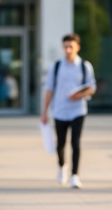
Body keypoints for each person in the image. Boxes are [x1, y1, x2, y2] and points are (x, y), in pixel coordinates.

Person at [40, 34, 97, 189]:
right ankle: (61, 166)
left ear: (77, 47)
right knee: (61, 143)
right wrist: (44, 112)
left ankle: (75, 175)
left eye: (71, 46)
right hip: (59, 110)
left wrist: (80, 94)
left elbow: (92, 87)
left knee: (75, 142)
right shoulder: (56, 66)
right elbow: (49, 89)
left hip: (78, 110)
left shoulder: (85, 66)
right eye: (66, 46)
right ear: (62, 47)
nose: (68, 49)